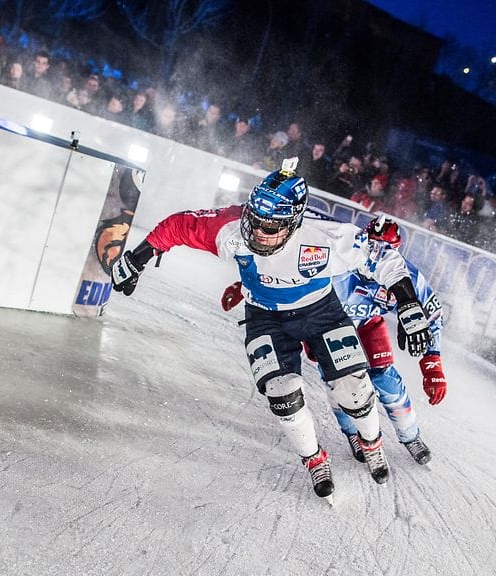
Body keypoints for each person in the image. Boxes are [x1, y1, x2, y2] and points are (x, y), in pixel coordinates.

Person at [109, 158, 436, 502]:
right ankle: (314, 459)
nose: (258, 232)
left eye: (271, 226)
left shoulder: (323, 236)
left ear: (295, 223)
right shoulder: (232, 227)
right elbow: (178, 226)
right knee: (283, 396)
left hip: (322, 312)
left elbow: (385, 259)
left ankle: (372, 443)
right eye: (255, 220)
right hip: (264, 316)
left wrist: (409, 304)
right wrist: (138, 258)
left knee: (353, 391)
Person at [220, 216, 448, 465]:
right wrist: (245, 286)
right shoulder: (337, 256)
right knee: (339, 382)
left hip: (367, 325)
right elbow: (283, 267)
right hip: (326, 324)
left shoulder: (407, 276)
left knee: (385, 379)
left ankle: (410, 435)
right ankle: (354, 433)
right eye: (371, 247)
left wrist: (432, 361)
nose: (374, 258)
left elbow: (432, 313)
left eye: (385, 252)